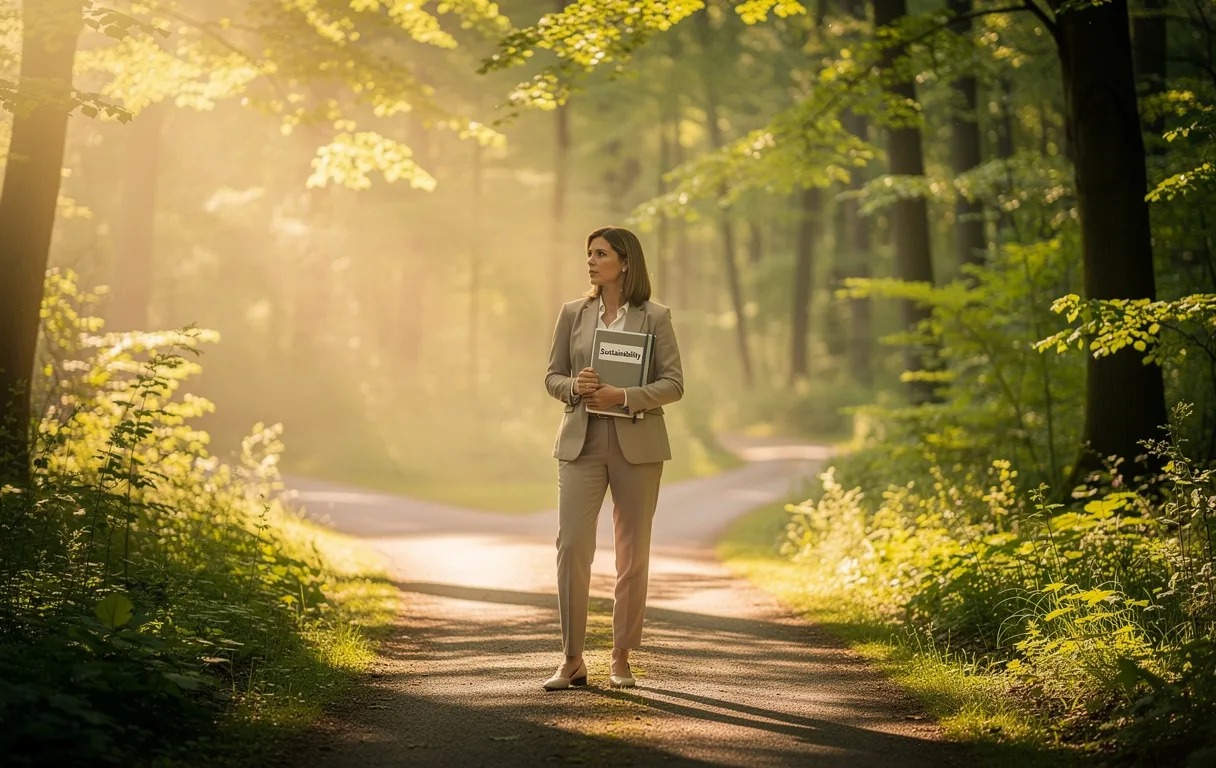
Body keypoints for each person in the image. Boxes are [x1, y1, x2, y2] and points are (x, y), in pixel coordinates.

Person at [541, 226, 684, 691]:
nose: (590, 260)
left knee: (631, 553)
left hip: (637, 445)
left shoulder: (655, 317)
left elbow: (674, 383)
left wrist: (623, 394)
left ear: (625, 262)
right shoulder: (571, 313)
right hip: (581, 442)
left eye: (600, 253)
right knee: (573, 546)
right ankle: (571, 659)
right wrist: (575, 388)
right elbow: (552, 376)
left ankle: (621, 657)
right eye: (588, 253)